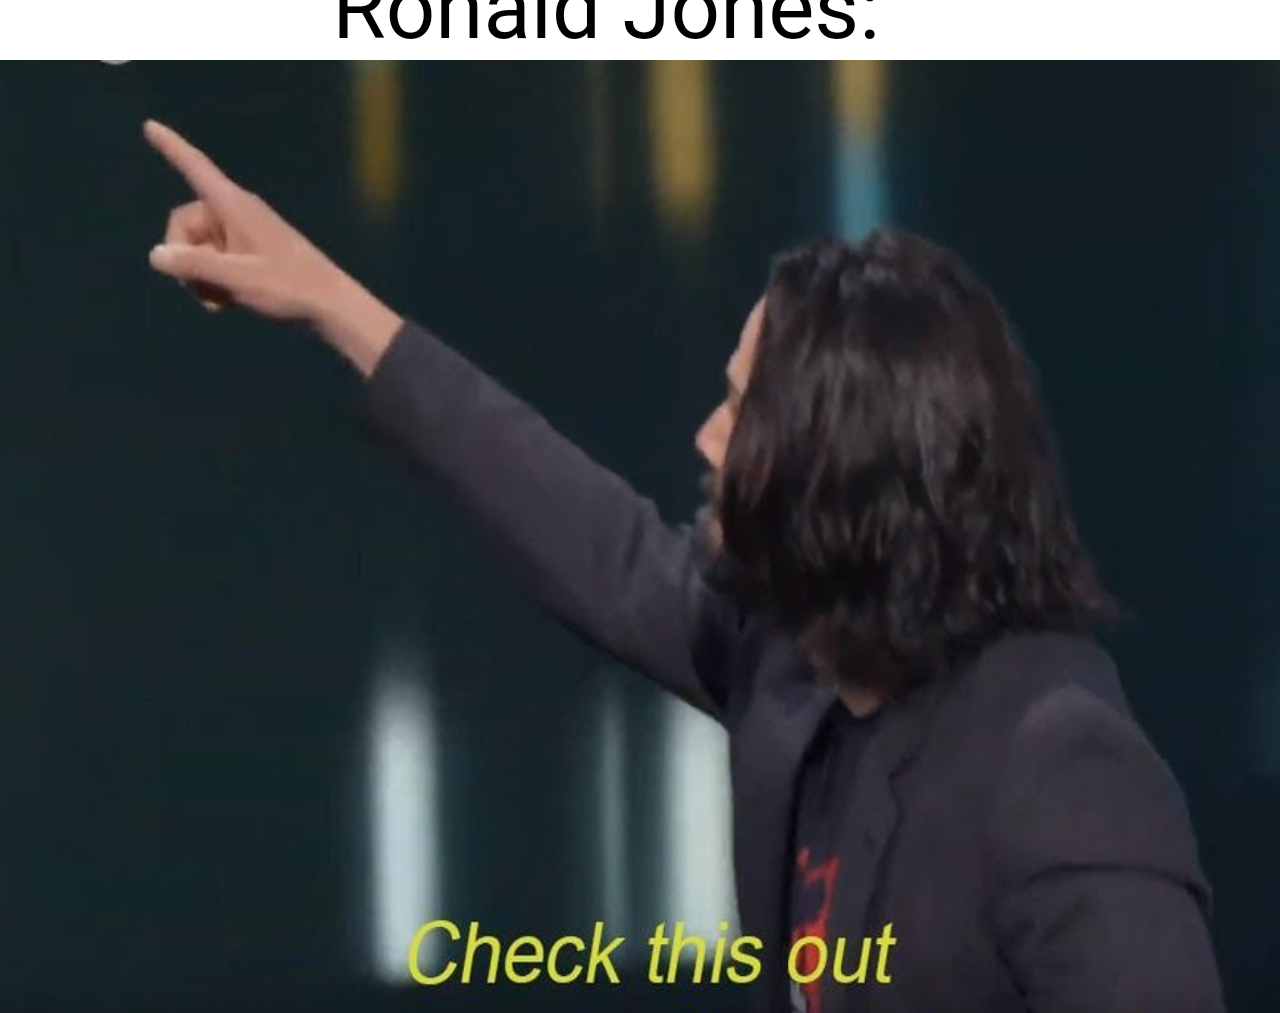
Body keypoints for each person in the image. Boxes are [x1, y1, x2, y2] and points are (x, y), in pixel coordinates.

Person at [144, 119, 1224, 1013]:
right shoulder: (795, 667)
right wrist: (332, 303)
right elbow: (589, 537)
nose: (706, 438)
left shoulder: (1056, 768)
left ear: (841, 467)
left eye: (742, 409)